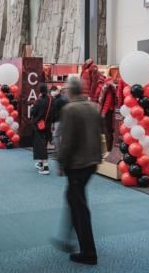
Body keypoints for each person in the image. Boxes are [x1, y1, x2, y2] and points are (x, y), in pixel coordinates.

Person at [55, 76, 102, 265]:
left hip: (77, 164)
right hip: (91, 162)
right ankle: (68, 238)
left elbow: (67, 141)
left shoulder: (69, 109)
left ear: (69, 91)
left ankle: (88, 253)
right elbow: (100, 133)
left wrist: (61, 164)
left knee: (79, 206)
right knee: (73, 199)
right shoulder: (93, 107)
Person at [31, 83, 54, 175]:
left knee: (40, 146)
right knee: (43, 144)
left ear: (40, 91)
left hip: (39, 126)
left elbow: (33, 111)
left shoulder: (39, 101)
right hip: (48, 125)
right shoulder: (52, 100)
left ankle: (45, 167)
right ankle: (41, 163)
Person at [97, 77, 116, 152]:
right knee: (107, 131)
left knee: (107, 131)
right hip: (108, 111)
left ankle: (109, 149)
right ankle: (108, 148)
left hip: (108, 112)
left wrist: (103, 112)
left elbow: (108, 100)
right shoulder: (108, 85)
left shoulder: (108, 87)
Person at [50, 85, 69, 152]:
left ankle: (59, 152)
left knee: (56, 135)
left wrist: (52, 122)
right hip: (65, 119)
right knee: (63, 136)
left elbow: (54, 112)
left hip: (58, 120)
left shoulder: (56, 100)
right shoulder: (65, 98)